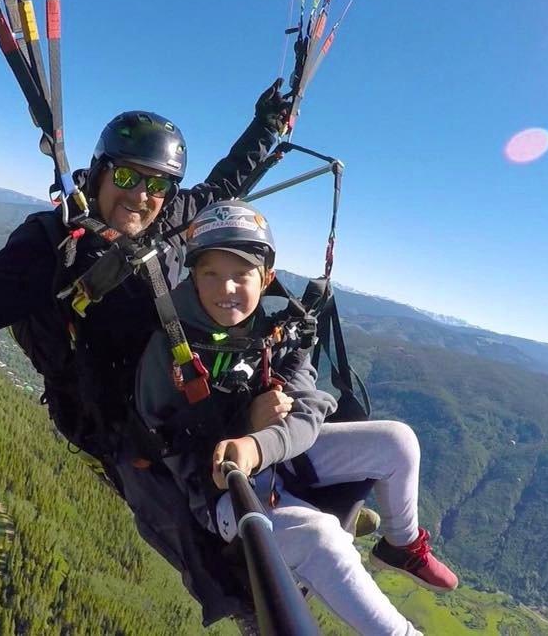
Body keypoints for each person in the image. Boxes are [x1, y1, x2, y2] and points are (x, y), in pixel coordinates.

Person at [0, 81, 290, 625]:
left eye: (157, 184)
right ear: (100, 172)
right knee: (204, 545)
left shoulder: (170, 218)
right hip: (112, 422)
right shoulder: (51, 244)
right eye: (127, 177)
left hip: (176, 394)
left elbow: (225, 181)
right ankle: (255, 611)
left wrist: (267, 125)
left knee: (275, 419)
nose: (141, 195)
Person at [136, 200, 459, 635]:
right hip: (221, 494)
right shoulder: (170, 349)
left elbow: (309, 411)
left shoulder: (277, 334)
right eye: (210, 273)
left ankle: (400, 545)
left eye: (241, 274)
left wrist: (259, 442)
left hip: (275, 458)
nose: (225, 287)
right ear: (193, 277)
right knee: (321, 536)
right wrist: (245, 428)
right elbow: (164, 437)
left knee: (397, 442)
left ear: (266, 278)